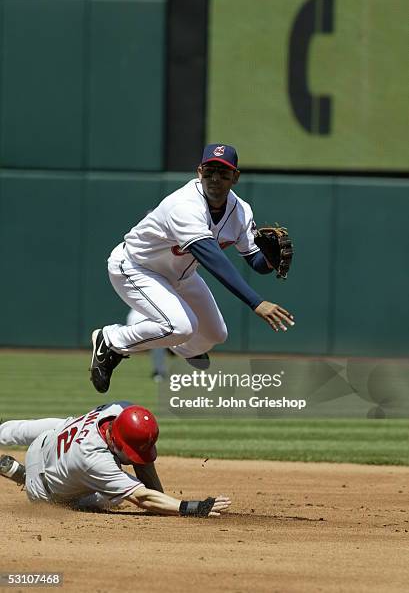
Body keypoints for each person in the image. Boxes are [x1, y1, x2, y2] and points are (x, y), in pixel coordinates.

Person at [90, 143, 295, 393]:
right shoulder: (184, 205)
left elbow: (256, 261)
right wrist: (256, 302)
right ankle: (111, 340)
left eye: (223, 172)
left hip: (182, 275)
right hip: (136, 268)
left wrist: (270, 260)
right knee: (180, 326)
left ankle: (184, 348)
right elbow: (212, 259)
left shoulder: (241, 211)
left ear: (235, 177)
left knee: (216, 335)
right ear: (199, 172)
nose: (215, 178)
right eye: (209, 171)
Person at [0, 402, 230, 517]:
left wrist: (160, 500)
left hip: (47, 440)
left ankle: (4, 437)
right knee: (110, 498)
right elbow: (142, 497)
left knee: (58, 423)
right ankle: (23, 475)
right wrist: (190, 507)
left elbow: (141, 455)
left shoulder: (120, 409)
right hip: (43, 493)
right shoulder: (94, 459)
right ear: (115, 440)